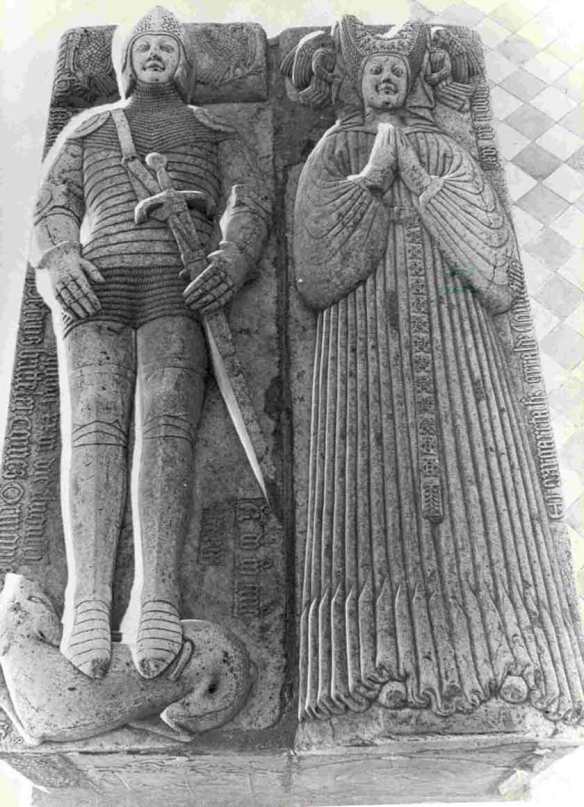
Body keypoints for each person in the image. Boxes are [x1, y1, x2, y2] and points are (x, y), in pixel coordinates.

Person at [286, 17, 584, 723]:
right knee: (369, 491)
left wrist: (415, 174)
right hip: (360, 343)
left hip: (459, 342)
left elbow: (496, 266)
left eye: (396, 71)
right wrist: (370, 179)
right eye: (374, 72)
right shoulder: (336, 146)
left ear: (411, 82)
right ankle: (366, 666)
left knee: (480, 483)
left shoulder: (443, 146)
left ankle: (508, 657)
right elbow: (314, 267)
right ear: (357, 84)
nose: (386, 79)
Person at [34, 6, 270, 680]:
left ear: (185, 63)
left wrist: (233, 258)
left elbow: (248, 202)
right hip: (97, 285)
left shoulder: (215, 129)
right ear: (127, 61)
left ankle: (157, 598)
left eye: (168, 48)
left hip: (179, 288)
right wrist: (58, 260)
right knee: (94, 431)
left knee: (167, 431)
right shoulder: (88, 129)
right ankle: (86, 599)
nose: (157, 56)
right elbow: (52, 205)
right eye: (146, 48)